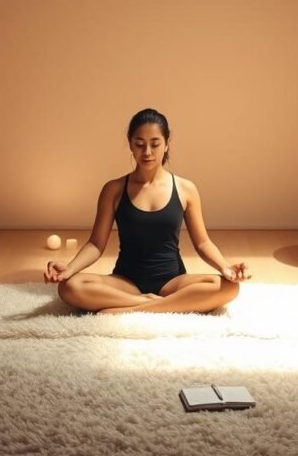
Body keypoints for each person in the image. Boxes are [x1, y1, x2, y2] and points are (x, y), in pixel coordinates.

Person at [43, 108, 250, 314]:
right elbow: (96, 244)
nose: (147, 152)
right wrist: (69, 268)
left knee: (230, 286)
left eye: (155, 144)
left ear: (167, 143)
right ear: (130, 145)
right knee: (69, 286)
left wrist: (225, 267)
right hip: (125, 281)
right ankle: (153, 304)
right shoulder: (113, 190)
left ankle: (132, 308)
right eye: (139, 144)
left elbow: (203, 243)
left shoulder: (186, 189)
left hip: (172, 282)